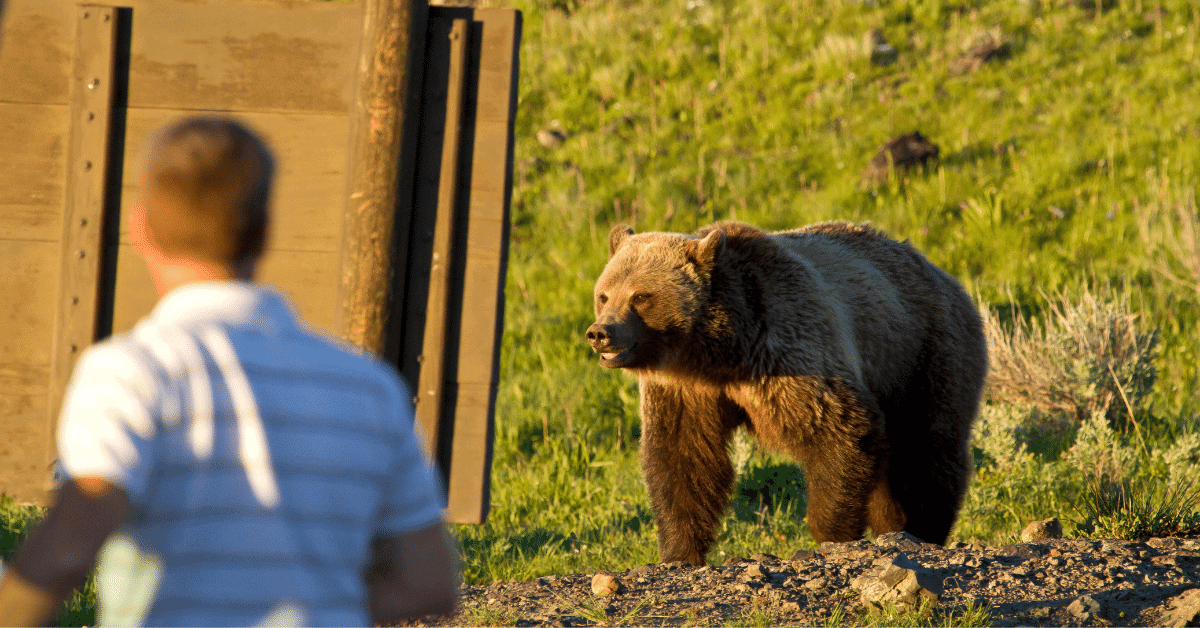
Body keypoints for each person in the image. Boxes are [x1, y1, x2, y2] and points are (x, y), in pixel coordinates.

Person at [0, 117, 458, 626]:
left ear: (139, 226)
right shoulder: (369, 388)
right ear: (263, 233)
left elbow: (72, 544)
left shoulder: (131, 372)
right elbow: (431, 587)